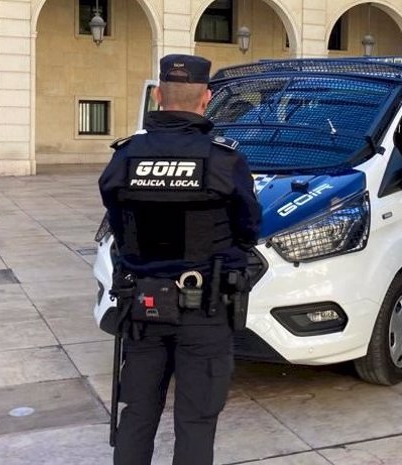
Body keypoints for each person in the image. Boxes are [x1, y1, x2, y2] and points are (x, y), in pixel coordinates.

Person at [99, 54, 261, 465]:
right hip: (204, 312)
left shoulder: (125, 156)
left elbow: (118, 224)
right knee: (196, 422)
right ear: (206, 98)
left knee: (137, 415)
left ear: (157, 96)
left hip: (142, 308)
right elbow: (248, 230)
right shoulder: (225, 160)